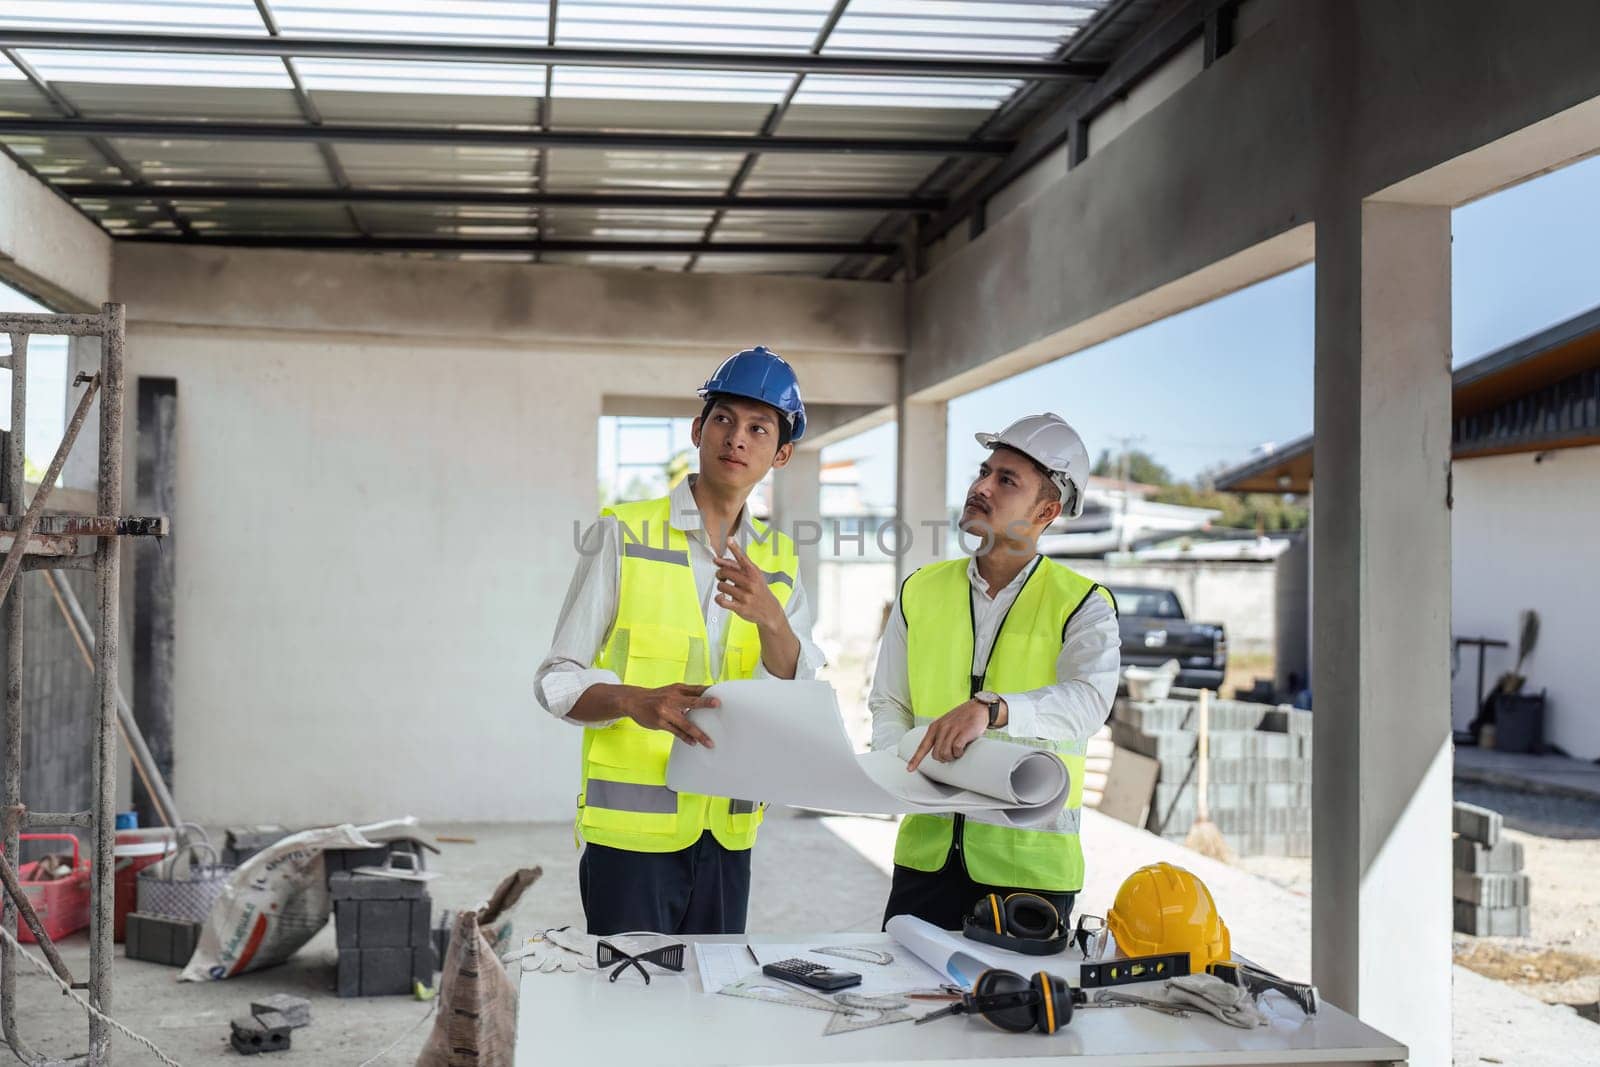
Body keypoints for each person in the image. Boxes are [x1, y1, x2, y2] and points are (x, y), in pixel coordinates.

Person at [536, 346, 825, 937]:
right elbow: (557, 676)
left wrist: (773, 619)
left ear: (782, 452)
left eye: (758, 428)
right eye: (723, 419)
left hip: (729, 828)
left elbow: (795, 687)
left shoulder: (780, 560)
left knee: (709, 1009)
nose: (736, 438)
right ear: (698, 429)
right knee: (629, 1010)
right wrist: (631, 700)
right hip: (631, 836)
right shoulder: (622, 533)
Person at [870, 412, 1121, 930]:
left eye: (1006, 480)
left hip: (1030, 873)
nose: (981, 487)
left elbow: (1089, 703)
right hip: (926, 859)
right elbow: (889, 701)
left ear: (1047, 509)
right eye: (984, 472)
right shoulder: (919, 589)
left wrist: (996, 709)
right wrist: (894, 769)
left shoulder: (1083, 604)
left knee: (1010, 1010)